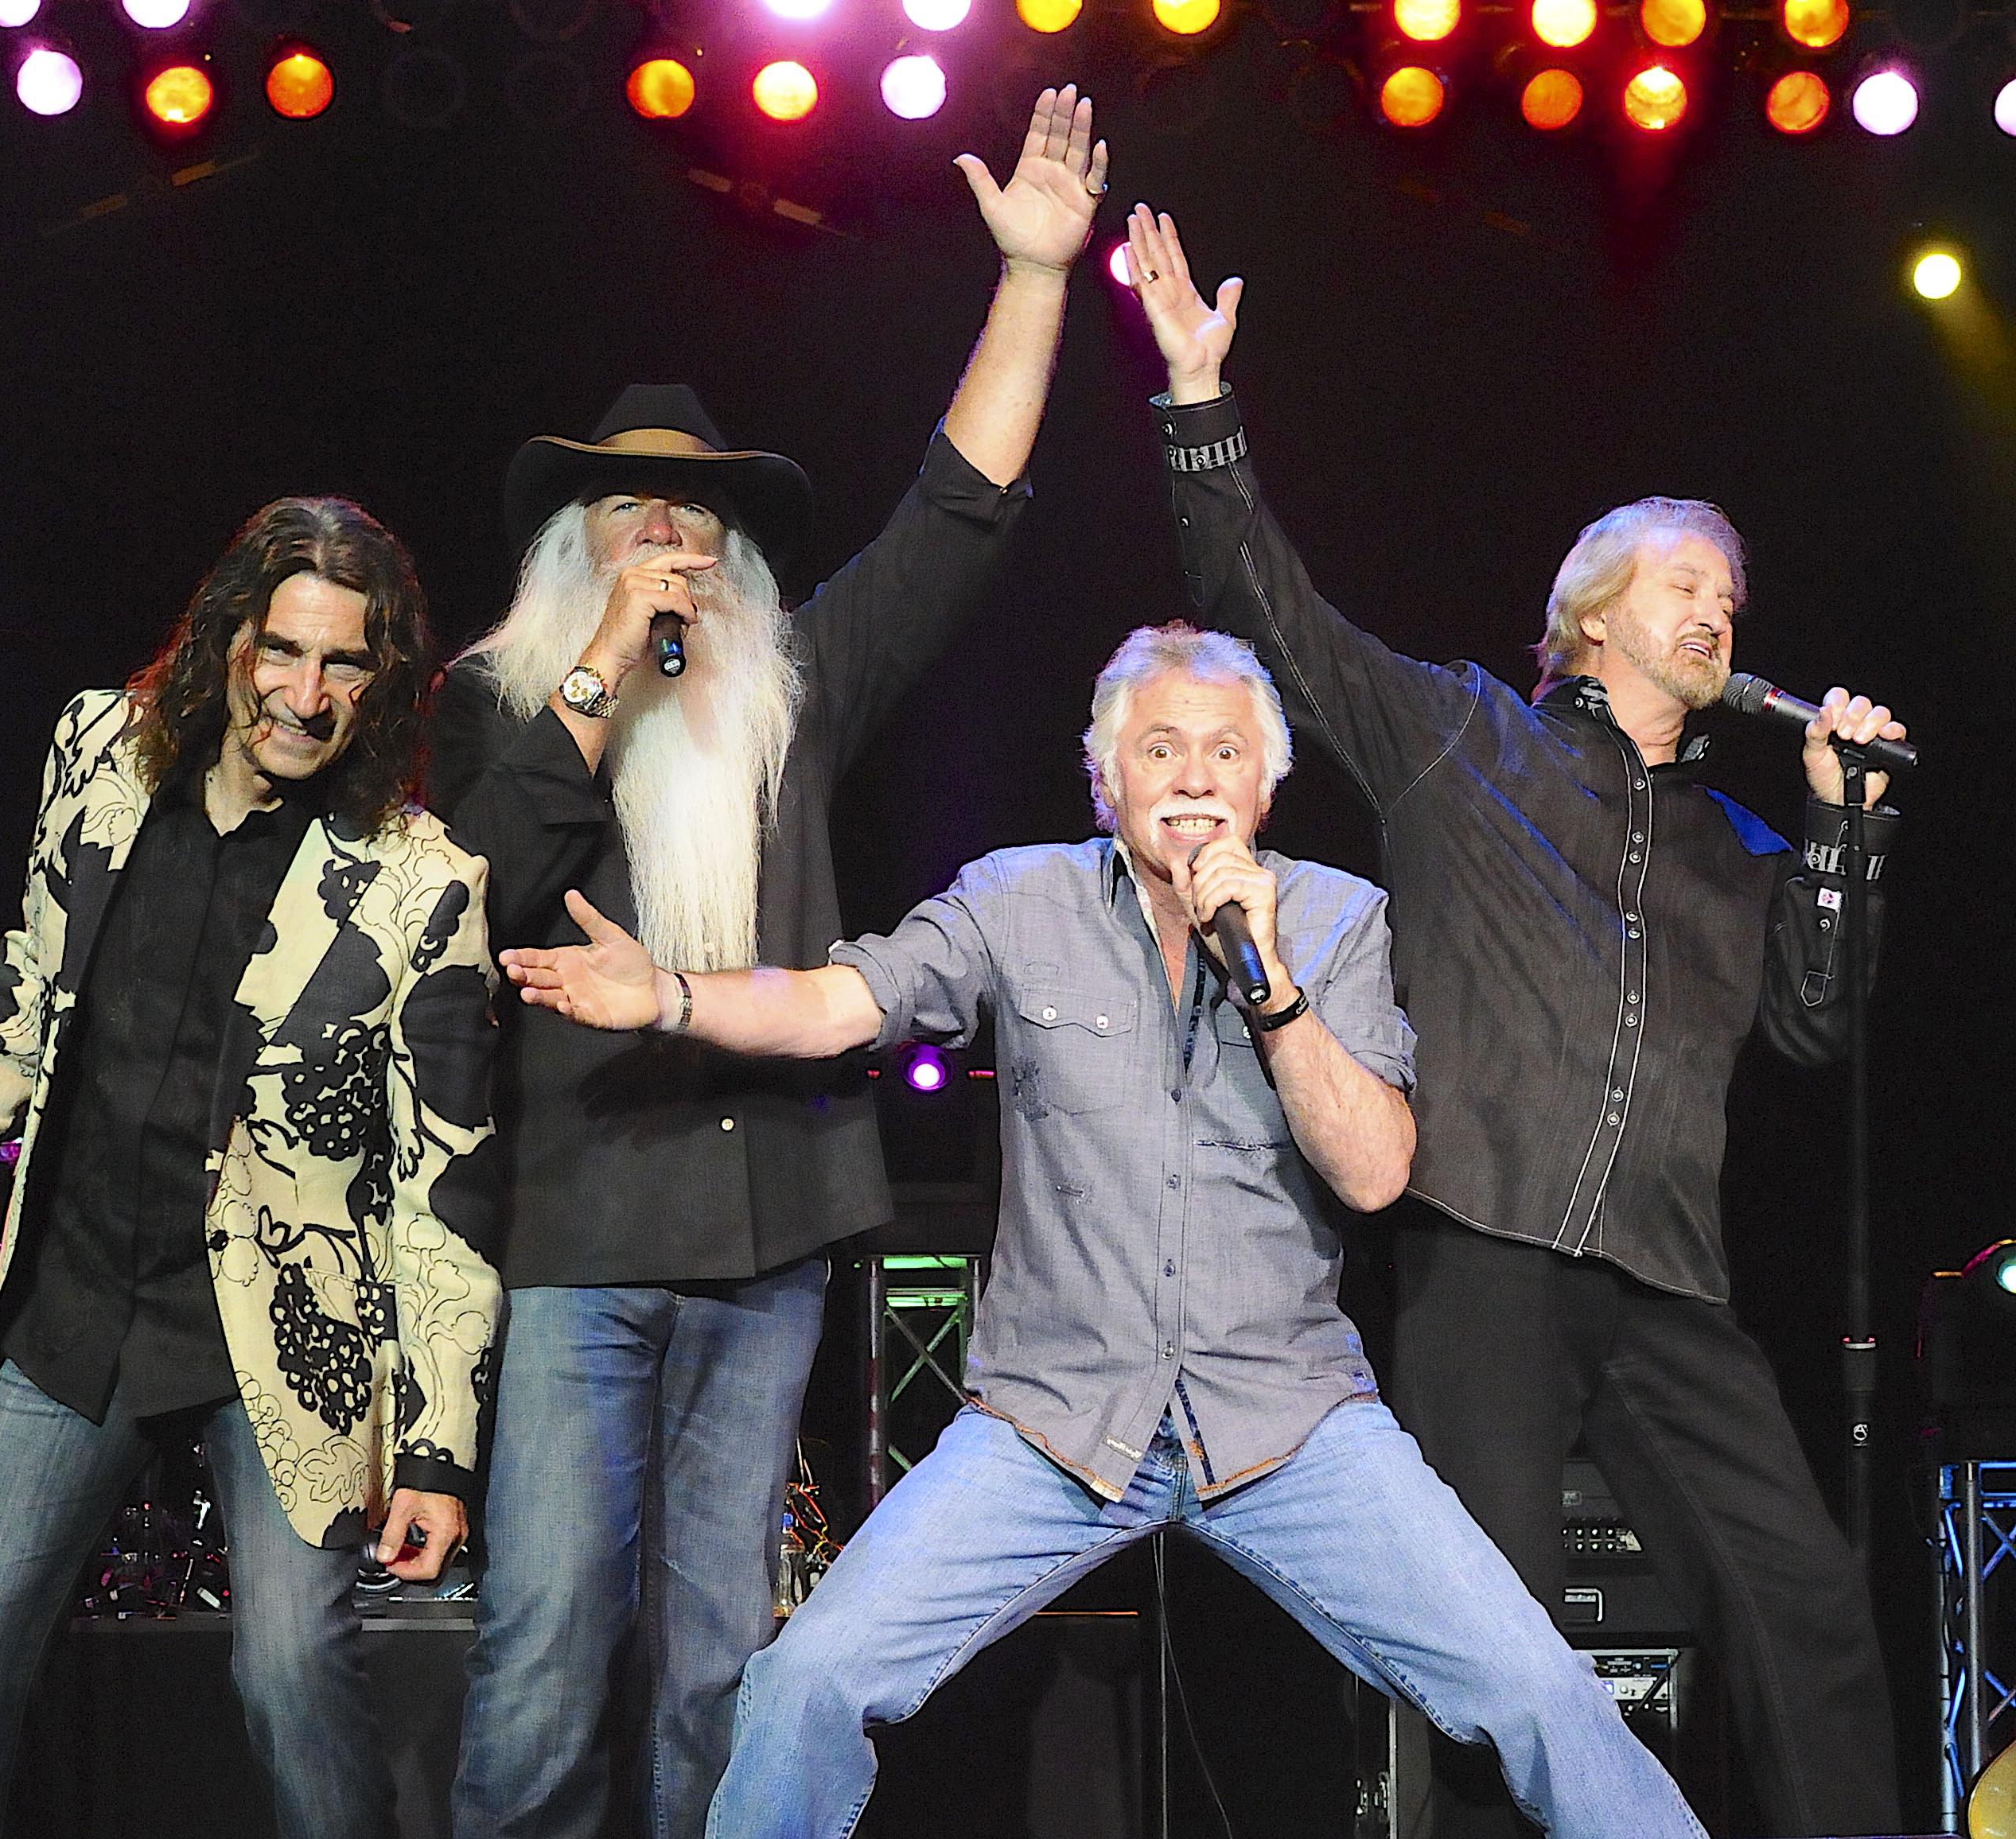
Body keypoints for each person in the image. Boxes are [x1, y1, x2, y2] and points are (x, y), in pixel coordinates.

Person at [497, 622, 1709, 1839]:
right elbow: (835, 1005)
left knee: (1540, 1690)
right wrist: (669, 997)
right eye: (1161, 747)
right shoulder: (1016, 900)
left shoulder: (1335, 920)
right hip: (1052, 1423)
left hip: (1287, 1422)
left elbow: (1376, 1171)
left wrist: (1271, 982)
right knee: (806, 1680)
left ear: (1264, 784)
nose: (1192, 776)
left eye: (1225, 751)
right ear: (1106, 776)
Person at [1120, 203, 1903, 1835]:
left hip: (1666, 1275)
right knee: (1488, 1635)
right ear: (1591, 611)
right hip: (1481, 1242)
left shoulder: (1740, 845)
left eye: (1732, 599)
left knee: (1806, 1601)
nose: (1716, 614)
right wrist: (1197, 405)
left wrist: (1835, 829)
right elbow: (1277, 617)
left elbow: (1816, 1030)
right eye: (1683, 582)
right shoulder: (1460, 739)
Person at [427, 86, 1109, 1839]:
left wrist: (1032, 278)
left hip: (767, 1243)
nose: (671, 544)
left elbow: (958, 511)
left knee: (723, 1651)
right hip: (580, 1234)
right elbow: (490, 885)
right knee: (543, 1641)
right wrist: (601, 679)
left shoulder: (791, 695)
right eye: (633, 521)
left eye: (695, 526)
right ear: (574, 558)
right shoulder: (504, 710)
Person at [0, 497, 501, 1839]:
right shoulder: (99, 749)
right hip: (82, 1297)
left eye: (342, 665)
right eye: (281, 650)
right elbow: (27, 981)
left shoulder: (420, 881)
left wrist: (436, 1453)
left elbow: (445, 1188)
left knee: (292, 1677)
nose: (303, 692)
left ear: (380, 680)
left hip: (280, 1339)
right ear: (226, 639)